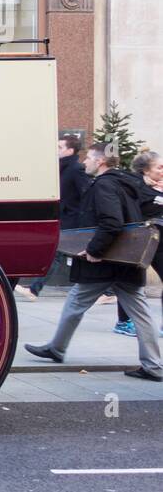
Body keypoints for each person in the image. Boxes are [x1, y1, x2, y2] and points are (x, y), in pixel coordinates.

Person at [24, 143, 162, 381]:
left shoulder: (105, 185)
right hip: (125, 259)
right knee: (137, 311)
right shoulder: (128, 183)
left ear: (100, 162)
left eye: (88, 158)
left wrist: (94, 250)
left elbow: (112, 222)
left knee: (77, 300)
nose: (84, 162)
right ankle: (152, 365)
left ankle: (56, 348)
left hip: (107, 260)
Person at [15, 134, 91, 301]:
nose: (56, 151)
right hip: (64, 218)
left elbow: (86, 194)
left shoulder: (75, 169)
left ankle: (34, 290)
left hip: (73, 221)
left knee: (58, 254)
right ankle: (108, 291)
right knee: (72, 255)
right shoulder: (61, 167)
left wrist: (80, 216)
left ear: (70, 151)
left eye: (59, 147)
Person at [111, 150, 163, 337]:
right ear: (146, 169)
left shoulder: (155, 187)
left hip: (157, 240)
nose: (162, 170)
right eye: (159, 167)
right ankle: (124, 322)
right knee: (130, 282)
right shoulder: (136, 185)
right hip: (138, 242)